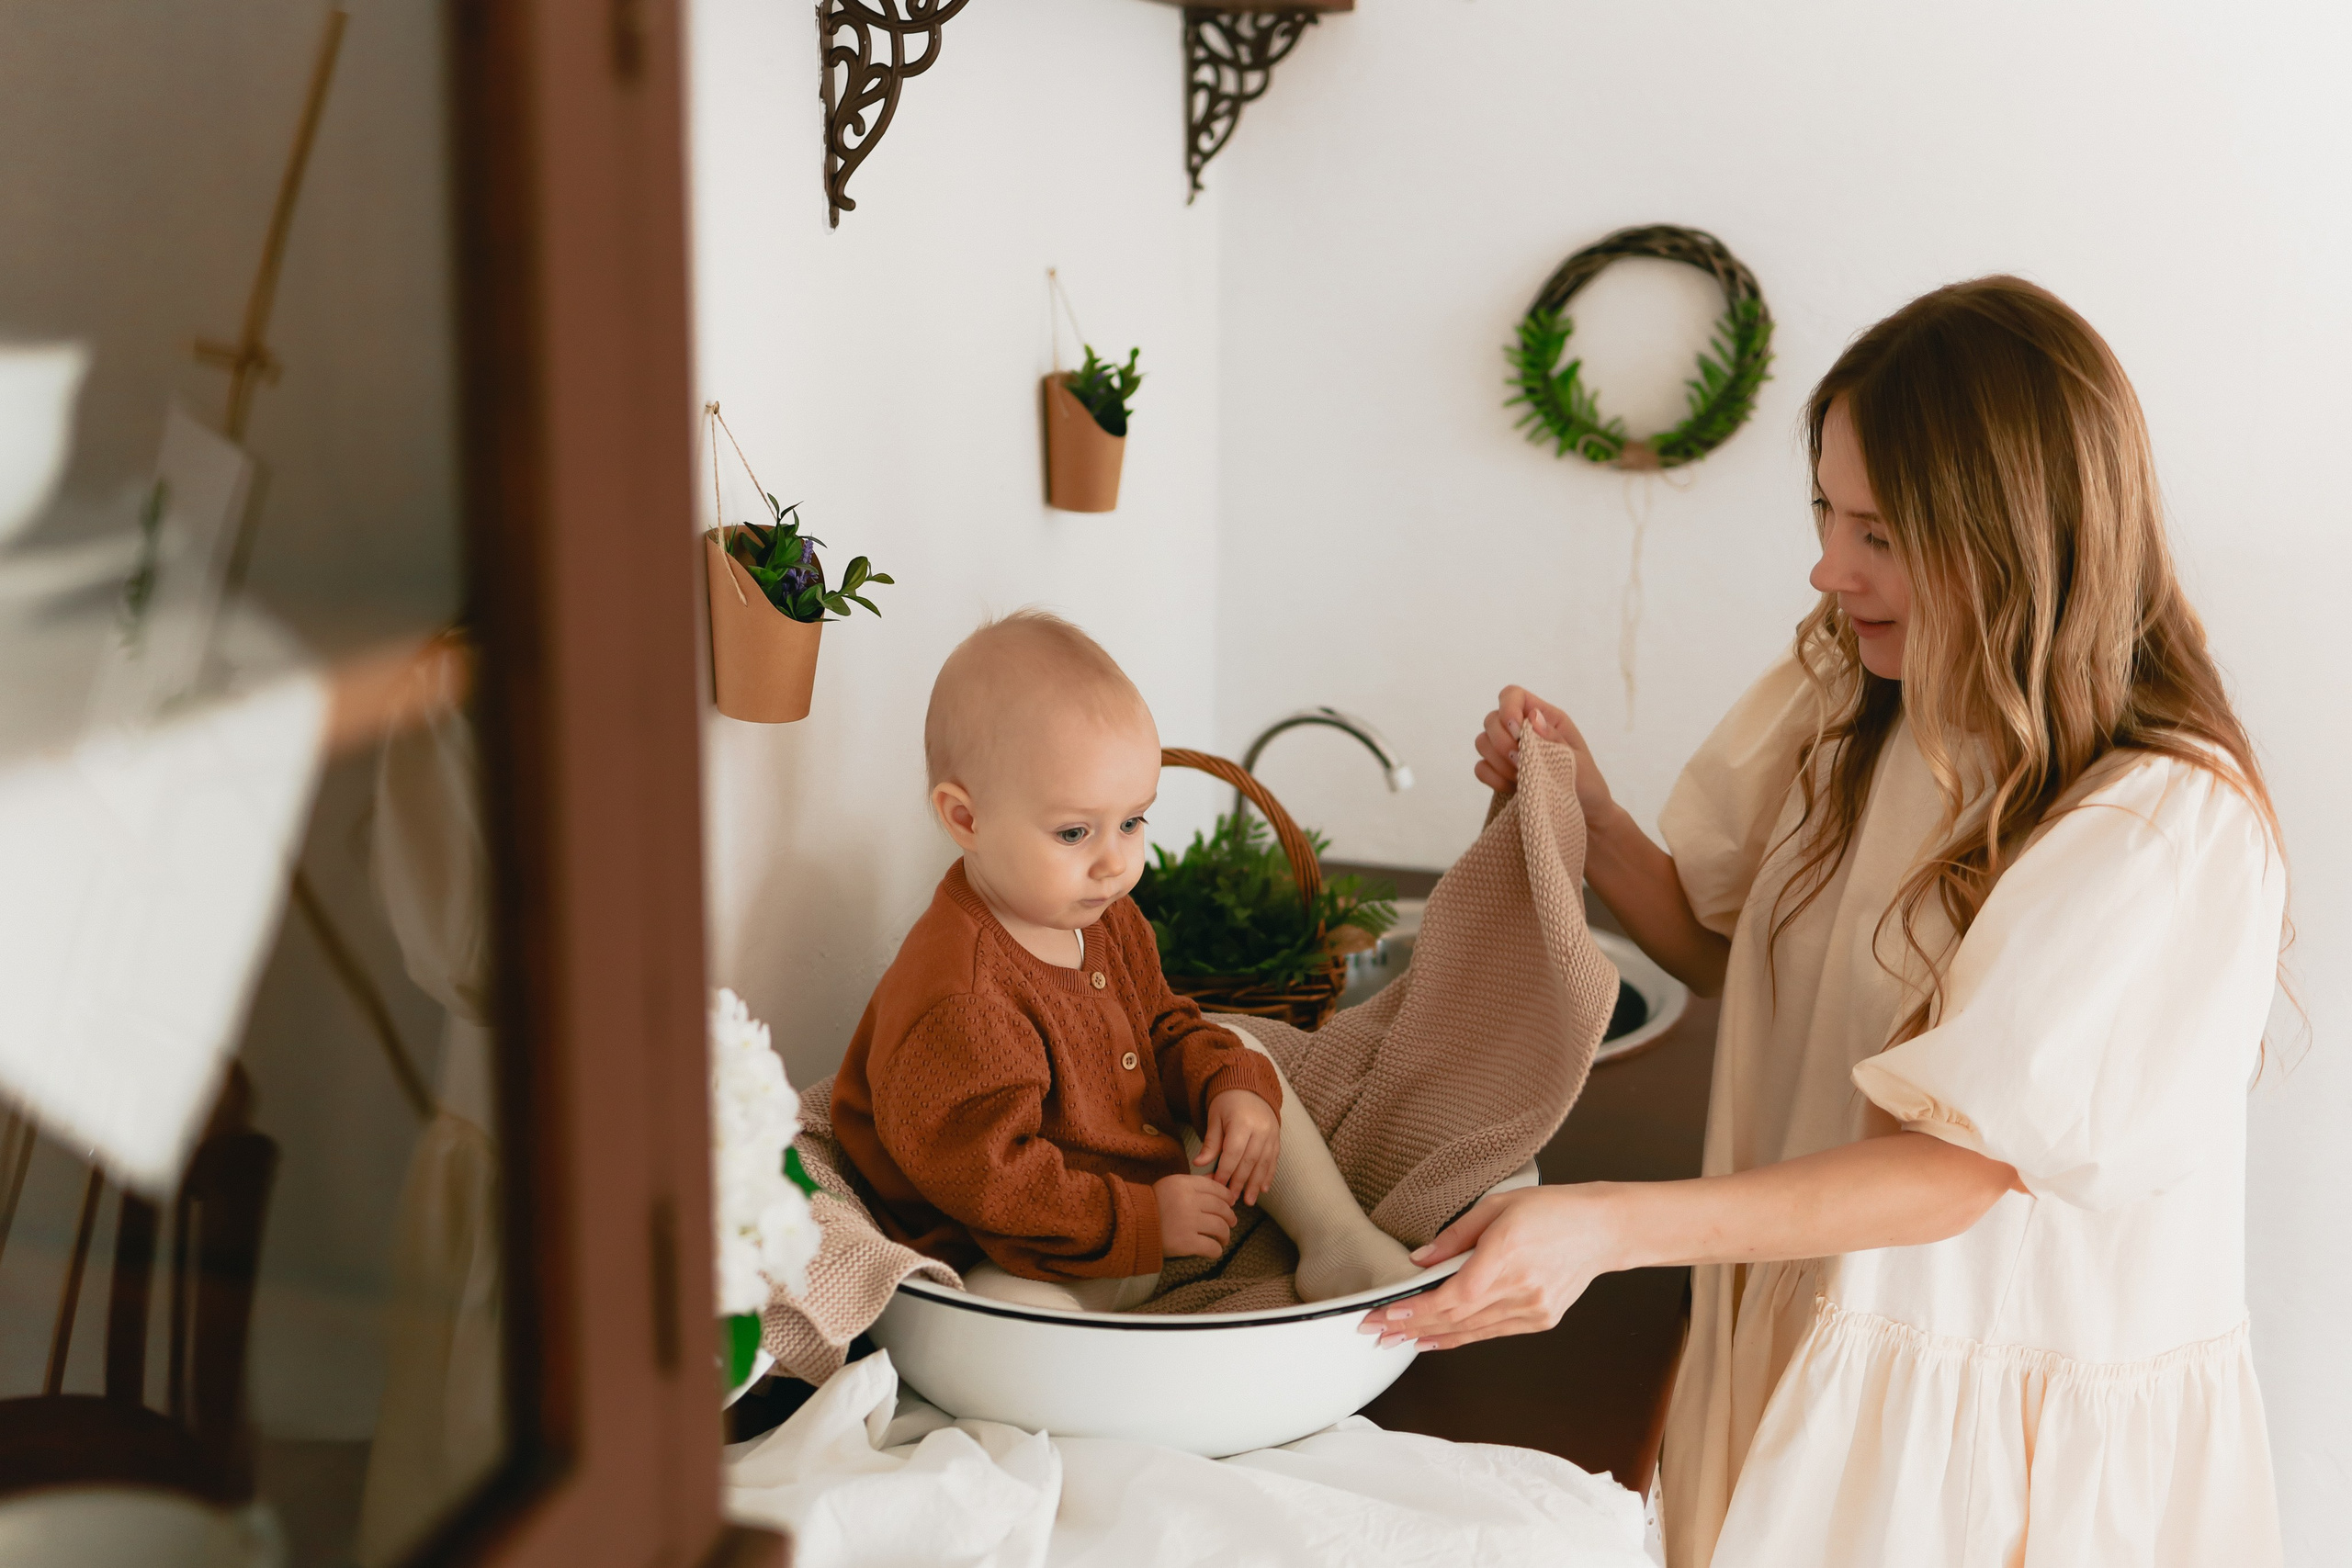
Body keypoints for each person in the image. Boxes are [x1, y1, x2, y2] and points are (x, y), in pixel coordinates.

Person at [1362, 277, 2288, 1566]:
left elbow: (1955, 1166)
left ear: (2021, 536)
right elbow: (1737, 953)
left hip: (1974, 1438)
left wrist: (1609, 1225)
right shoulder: (1861, 698)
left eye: (1880, 533)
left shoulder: (2161, 824)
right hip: (1797, 1331)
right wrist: (1590, 817)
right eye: (1825, 514)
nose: (1827, 568)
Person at [831, 610, 1419, 1312]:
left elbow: (1163, 1025)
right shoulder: (963, 999)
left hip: (1137, 1183)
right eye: (1074, 832)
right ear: (966, 819)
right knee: (1002, 1308)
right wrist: (1142, 1218)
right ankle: (1105, 1346)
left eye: (1134, 821)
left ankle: (1337, 1237)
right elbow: (992, 1183)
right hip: (1016, 1246)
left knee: (1241, 1052)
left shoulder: (1103, 914)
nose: (1115, 861)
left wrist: (1227, 1088)